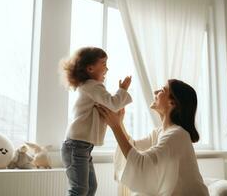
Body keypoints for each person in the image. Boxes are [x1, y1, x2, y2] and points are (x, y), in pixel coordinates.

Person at [96, 79, 209, 196]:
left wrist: (115, 127)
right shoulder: (161, 132)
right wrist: (119, 123)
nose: (155, 92)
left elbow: (141, 163)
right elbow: (134, 147)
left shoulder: (177, 135)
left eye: (162, 90)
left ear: (173, 103)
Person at [59, 46, 132, 196]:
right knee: (79, 190)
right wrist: (123, 90)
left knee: (90, 188)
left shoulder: (91, 87)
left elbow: (108, 106)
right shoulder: (92, 86)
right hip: (76, 145)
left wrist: (118, 101)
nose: (107, 68)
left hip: (81, 146)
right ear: (91, 68)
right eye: (104, 64)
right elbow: (112, 103)